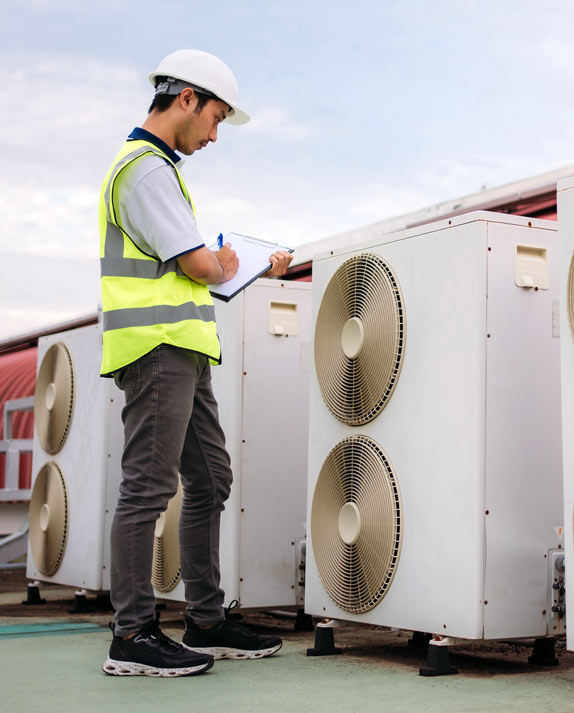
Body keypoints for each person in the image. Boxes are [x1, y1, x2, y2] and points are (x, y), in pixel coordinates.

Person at [98, 49, 292, 677]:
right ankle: (132, 635)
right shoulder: (146, 170)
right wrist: (232, 261)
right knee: (148, 489)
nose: (213, 135)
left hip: (181, 350)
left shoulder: (157, 170)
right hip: (155, 351)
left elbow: (193, 268)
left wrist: (240, 265)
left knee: (210, 480)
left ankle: (206, 620)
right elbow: (200, 266)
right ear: (185, 99)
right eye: (214, 118)